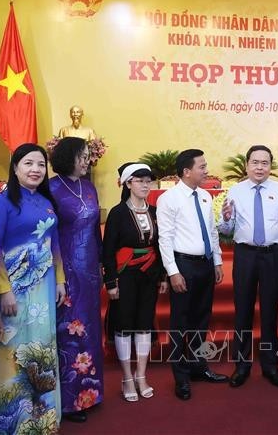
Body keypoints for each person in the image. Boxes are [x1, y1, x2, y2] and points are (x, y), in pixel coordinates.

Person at [0, 144, 66, 435]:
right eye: (28, 163)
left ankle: (42, 417)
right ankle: (10, 421)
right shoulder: (2, 202)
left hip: (43, 287)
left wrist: (60, 280)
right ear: (15, 167)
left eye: (41, 165)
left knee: (42, 344)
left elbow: (54, 244)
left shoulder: (45, 200)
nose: (35, 170)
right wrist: (3, 290)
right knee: (13, 347)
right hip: (15, 288)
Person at [219, 145, 278, 389]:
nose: (260, 167)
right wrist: (227, 218)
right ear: (247, 164)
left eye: (265, 163)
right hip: (246, 255)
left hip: (273, 256)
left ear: (270, 166)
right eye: (255, 162)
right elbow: (226, 232)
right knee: (243, 311)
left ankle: (271, 366)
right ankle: (241, 366)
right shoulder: (236, 191)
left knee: (270, 312)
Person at [156, 150, 227, 400]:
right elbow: (164, 238)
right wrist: (172, 272)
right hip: (183, 266)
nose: (206, 170)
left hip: (206, 265)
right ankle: (181, 376)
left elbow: (213, 231)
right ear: (187, 171)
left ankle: (199, 367)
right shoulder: (169, 199)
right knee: (180, 324)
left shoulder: (206, 196)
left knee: (201, 320)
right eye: (202, 166)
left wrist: (217, 261)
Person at [102, 162, 168, 403]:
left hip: (149, 275)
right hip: (124, 275)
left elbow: (159, 246)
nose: (145, 185)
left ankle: (141, 375)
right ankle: (127, 376)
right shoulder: (118, 214)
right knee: (124, 324)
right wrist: (110, 282)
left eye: (148, 181)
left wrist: (161, 276)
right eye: (139, 180)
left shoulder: (154, 211)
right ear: (128, 183)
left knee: (143, 324)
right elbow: (108, 250)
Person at [49, 137, 104, 423]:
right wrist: (58, 273)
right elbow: (48, 233)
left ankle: (92, 392)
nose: (86, 161)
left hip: (90, 271)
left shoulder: (90, 187)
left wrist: (103, 264)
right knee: (70, 332)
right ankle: (70, 400)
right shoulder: (52, 188)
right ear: (68, 157)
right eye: (82, 156)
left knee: (91, 328)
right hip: (66, 271)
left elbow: (96, 231)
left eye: (87, 157)